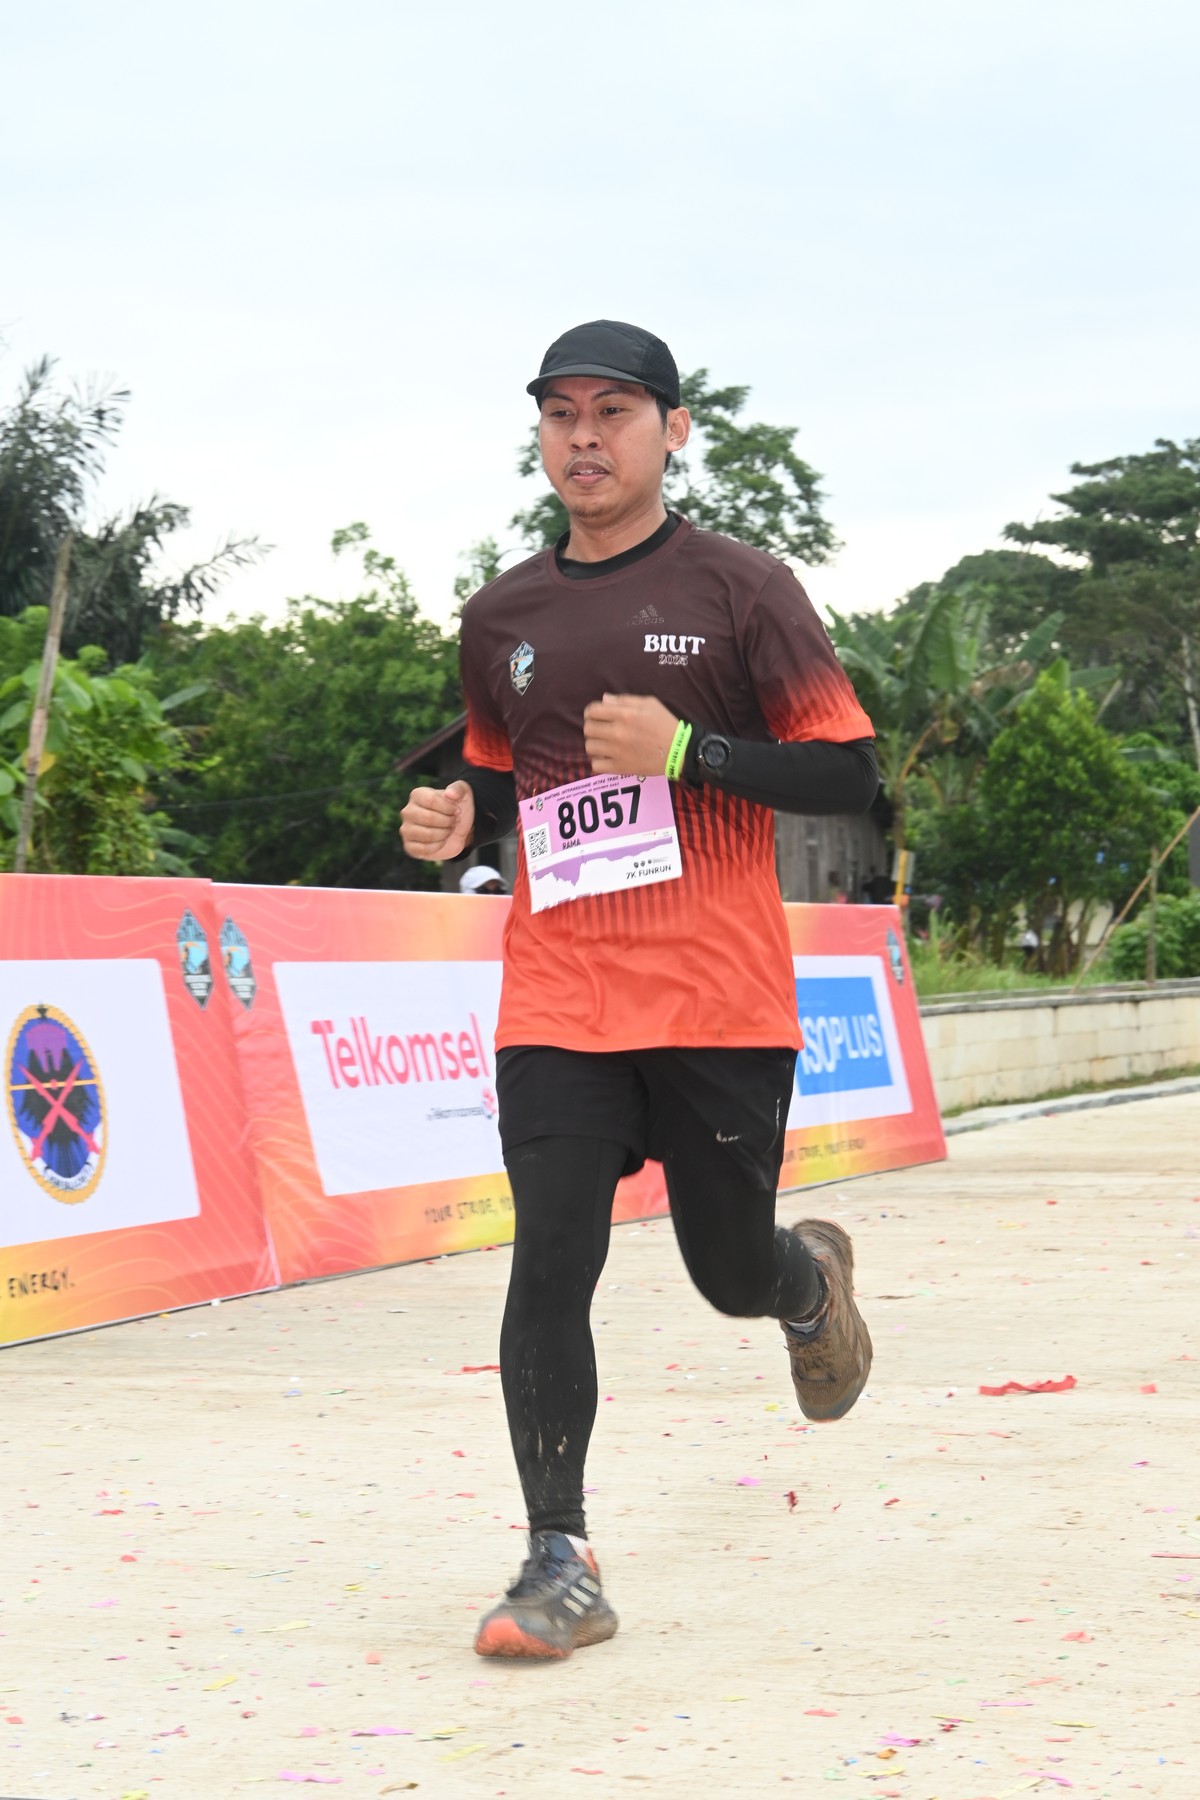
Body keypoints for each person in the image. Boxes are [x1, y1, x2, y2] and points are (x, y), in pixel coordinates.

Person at [400, 319, 879, 1661]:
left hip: (717, 992)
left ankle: (802, 1282)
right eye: (561, 414)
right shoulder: (503, 616)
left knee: (726, 1271)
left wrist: (691, 751)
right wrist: (456, 816)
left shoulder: (744, 589)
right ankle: (559, 1559)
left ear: (673, 430)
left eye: (613, 412)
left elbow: (848, 773)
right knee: (551, 1257)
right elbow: (500, 773)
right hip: (561, 989)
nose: (585, 438)